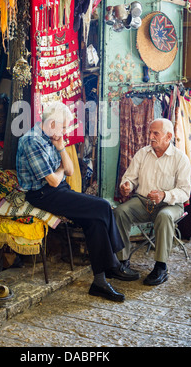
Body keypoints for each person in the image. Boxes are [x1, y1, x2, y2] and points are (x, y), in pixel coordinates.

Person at [16, 102, 138, 303]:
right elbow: (54, 181)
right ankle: (114, 264)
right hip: (42, 195)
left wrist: (61, 148)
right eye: (63, 127)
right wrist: (61, 169)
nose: (64, 131)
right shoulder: (31, 141)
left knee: (95, 222)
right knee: (103, 206)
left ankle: (99, 282)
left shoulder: (52, 138)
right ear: (52, 123)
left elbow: (71, 170)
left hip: (58, 190)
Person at [114, 118, 191, 286]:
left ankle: (161, 267)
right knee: (120, 212)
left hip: (170, 205)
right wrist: (126, 186)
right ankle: (122, 261)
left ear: (168, 136)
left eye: (155, 133)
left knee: (164, 216)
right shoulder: (143, 153)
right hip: (143, 202)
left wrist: (165, 195)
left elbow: (185, 192)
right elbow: (130, 178)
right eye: (150, 132)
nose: (151, 136)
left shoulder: (180, 158)